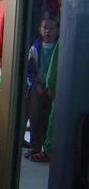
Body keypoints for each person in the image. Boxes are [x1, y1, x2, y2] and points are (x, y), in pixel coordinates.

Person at [24, 16, 59, 162]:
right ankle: (35, 146)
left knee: (50, 118)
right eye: (45, 28)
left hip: (53, 89)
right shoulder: (35, 47)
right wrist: (35, 84)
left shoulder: (59, 48)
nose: (48, 31)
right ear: (40, 30)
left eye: (51, 28)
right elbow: (29, 69)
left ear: (57, 30)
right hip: (37, 87)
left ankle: (48, 148)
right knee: (36, 116)